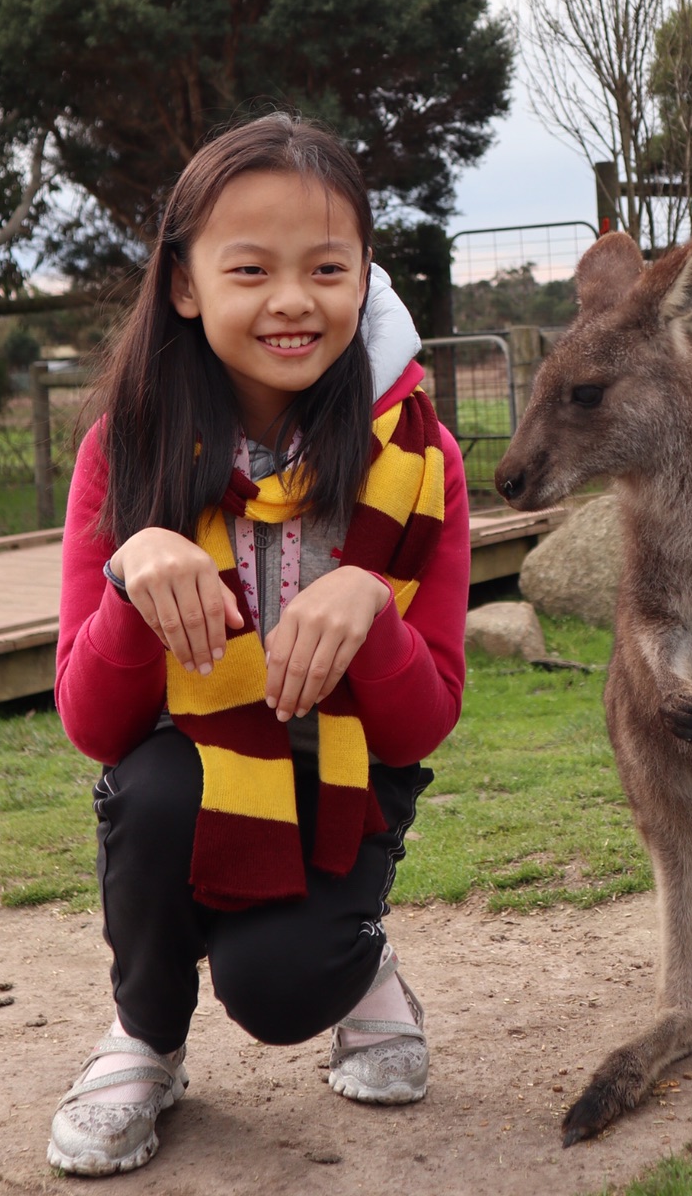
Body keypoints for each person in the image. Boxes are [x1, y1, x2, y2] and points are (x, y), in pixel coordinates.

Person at [47, 114, 469, 1177]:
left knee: (281, 991)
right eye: (250, 269)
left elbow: (423, 725)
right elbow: (94, 726)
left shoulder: (417, 460)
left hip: (347, 778)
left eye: (327, 267)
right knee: (147, 791)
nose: (292, 300)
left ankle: (355, 968)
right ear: (186, 285)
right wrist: (130, 580)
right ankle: (144, 1039)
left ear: (364, 276)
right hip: (185, 775)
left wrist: (368, 605)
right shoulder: (124, 451)